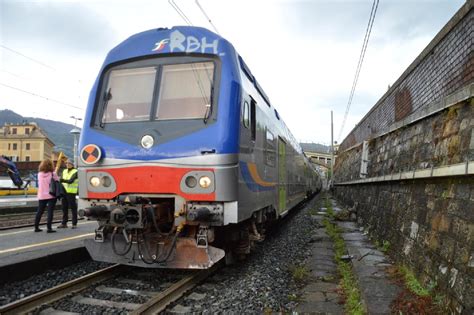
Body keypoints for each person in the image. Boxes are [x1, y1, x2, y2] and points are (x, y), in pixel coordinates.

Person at [34, 159, 58, 233]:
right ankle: (49, 228)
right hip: (51, 195)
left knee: (39, 211)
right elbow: (57, 182)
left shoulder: (39, 174)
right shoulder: (53, 174)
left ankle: (36, 227)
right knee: (50, 212)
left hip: (41, 195)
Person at [57, 160, 78, 229]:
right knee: (64, 208)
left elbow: (71, 181)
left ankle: (74, 223)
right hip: (64, 192)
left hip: (71, 192)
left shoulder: (76, 171)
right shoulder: (64, 171)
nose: (67, 164)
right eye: (66, 163)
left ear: (72, 164)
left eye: (69, 163)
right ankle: (64, 223)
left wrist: (62, 180)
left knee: (73, 208)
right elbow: (61, 180)